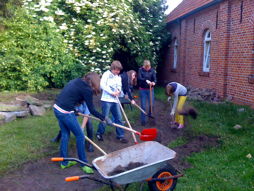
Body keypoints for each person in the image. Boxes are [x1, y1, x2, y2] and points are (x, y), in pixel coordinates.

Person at [53, 72, 112, 174]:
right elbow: (92, 110)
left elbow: (68, 96)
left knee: (65, 134)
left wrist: (74, 110)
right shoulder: (87, 90)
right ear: (95, 82)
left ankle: (64, 162)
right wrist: (105, 118)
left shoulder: (77, 80)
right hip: (65, 112)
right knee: (80, 136)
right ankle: (84, 164)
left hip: (57, 108)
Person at [96, 60, 128, 143]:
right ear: (113, 68)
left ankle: (120, 135)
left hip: (115, 101)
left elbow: (119, 87)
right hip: (106, 100)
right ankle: (99, 133)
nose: (118, 72)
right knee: (104, 118)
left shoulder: (118, 77)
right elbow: (102, 85)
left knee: (119, 118)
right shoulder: (106, 74)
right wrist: (111, 92)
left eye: (119, 70)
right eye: (117, 70)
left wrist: (118, 92)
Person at [137, 60, 157, 126]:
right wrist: (146, 80)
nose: (148, 68)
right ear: (144, 66)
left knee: (151, 104)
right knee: (143, 105)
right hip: (142, 90)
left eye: (149, 67)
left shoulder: (152, 70)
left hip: (150, 90)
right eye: (146, 67)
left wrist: (154, 82)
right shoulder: (140, 70)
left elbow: (155, 79)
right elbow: (139, 78)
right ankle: (143, 121)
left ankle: (150, 116)